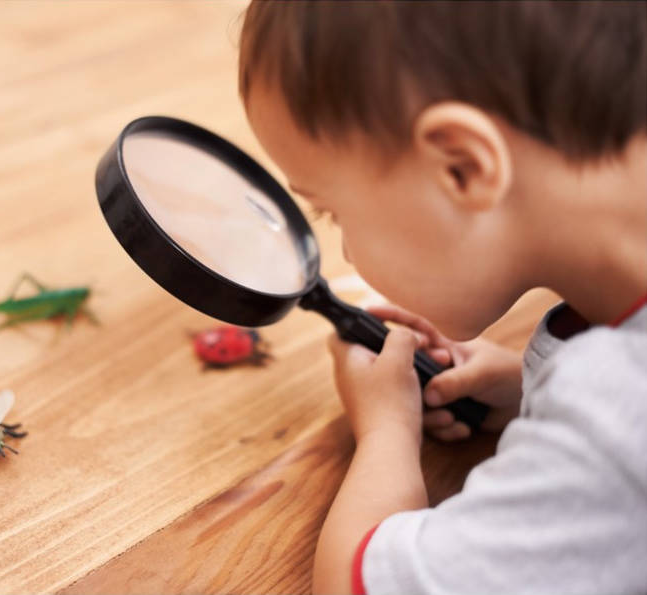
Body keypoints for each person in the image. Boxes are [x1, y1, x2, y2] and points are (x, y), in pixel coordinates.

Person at [238, 2, 647, 594]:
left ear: (461, 167)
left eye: (332, 210)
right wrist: (529, 388)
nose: (345, 251)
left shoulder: (616, 424)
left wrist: (386, 430)